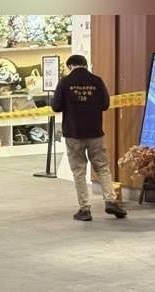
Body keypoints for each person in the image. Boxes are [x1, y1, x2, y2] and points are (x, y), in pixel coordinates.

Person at [51, 54, 127, 221]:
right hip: (95, 132)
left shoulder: (65, 82)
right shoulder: (97, 81)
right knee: (102, 167)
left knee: (79, 171)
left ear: (70, 66)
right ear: (85, 65)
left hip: (73, 133)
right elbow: (105, 104)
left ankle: (85, 209)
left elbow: (56, 106)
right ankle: (110, 200)